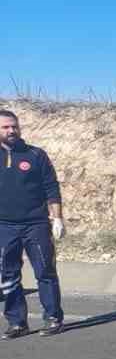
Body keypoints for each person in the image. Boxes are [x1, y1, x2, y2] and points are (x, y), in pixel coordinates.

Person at [0, 110, 66, 338]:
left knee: (45, 271)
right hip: (4, 227)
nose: (11, 131)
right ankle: (17, 322)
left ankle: (53, 317)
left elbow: (51, 187)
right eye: (5, 127)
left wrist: (57, 218)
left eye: (14, 126)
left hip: (36, 224)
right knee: (9, 275)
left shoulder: (35, 155)